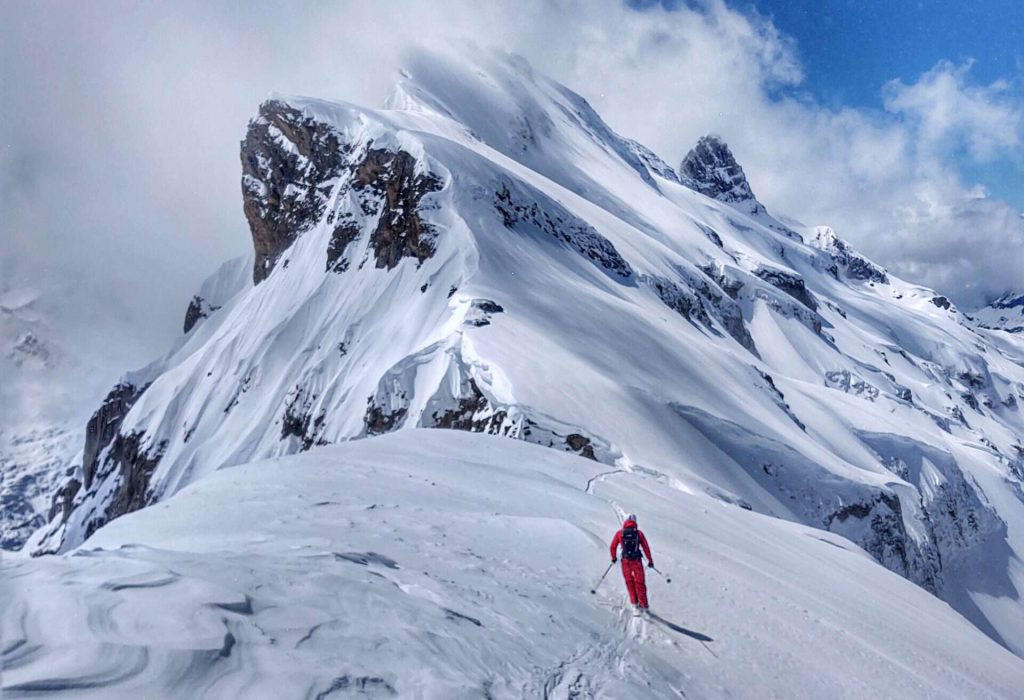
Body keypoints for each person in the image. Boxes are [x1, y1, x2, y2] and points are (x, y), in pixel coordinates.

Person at [609, 513, 654, 612]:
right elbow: (646, 547)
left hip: (625, 562)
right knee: (640, 583)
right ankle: (644, 605)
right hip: (637, 561)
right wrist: (650, 560)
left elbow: (612, 546)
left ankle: (634, 603)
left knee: (629, 582)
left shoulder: (619, 533)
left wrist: (613, 558)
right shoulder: (639, 534)